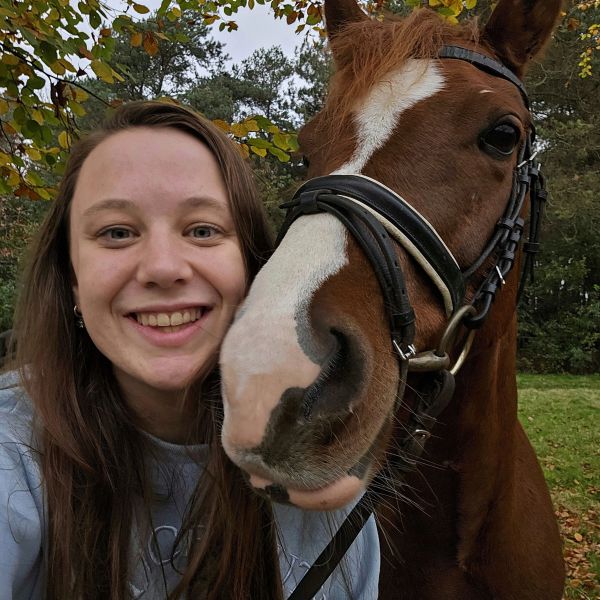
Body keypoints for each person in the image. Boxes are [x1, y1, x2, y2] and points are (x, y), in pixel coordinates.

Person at [0, 101, 380, 599]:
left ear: (252, 267)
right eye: (117, 232)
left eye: (203, 230)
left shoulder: (320, 438)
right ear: (71, 280)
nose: (163, 267)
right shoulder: (14, 452)